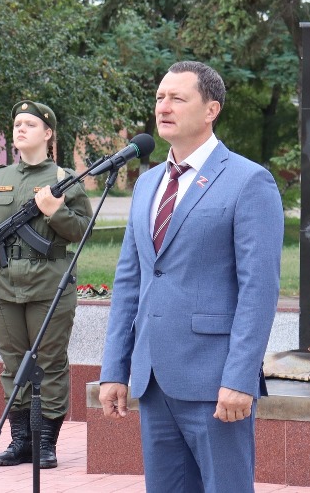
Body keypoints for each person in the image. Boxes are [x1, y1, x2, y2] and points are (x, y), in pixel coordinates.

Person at [94, 60, 284, 493]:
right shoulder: (147, 184)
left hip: (215, 383)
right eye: (161, 97)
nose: (164, 106)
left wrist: (240, 378)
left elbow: (259, 290)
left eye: (178, 98)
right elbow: (130, 283)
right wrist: (115, 369)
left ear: (211, 109)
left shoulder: (248, 181)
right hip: (154, 379)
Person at [0, 100, 92, 469]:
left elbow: (83, 230)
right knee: (13, 365)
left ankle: (46, 444)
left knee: (49, 364)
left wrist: (56, 212)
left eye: (30, 124)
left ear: (48, 134)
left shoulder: (66, 180)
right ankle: (21, 441)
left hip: (49, 285)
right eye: (17, 123)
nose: (20, 129)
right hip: (4, 286)